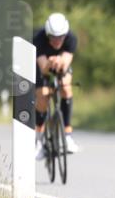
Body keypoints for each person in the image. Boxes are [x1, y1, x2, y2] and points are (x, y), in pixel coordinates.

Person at [33, 12, 80, 158]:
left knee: (66, 87)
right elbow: (43, 68)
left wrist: (59, 61)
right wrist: (51, 62)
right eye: (53, 38)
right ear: (47, 35)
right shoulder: (38, 39)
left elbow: (66, 63)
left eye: (60, 37)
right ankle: (39, 140)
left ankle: (67, 135)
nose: (57, 41)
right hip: (43, 65)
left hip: (60, 65)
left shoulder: (71, 38)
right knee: (43, 94)